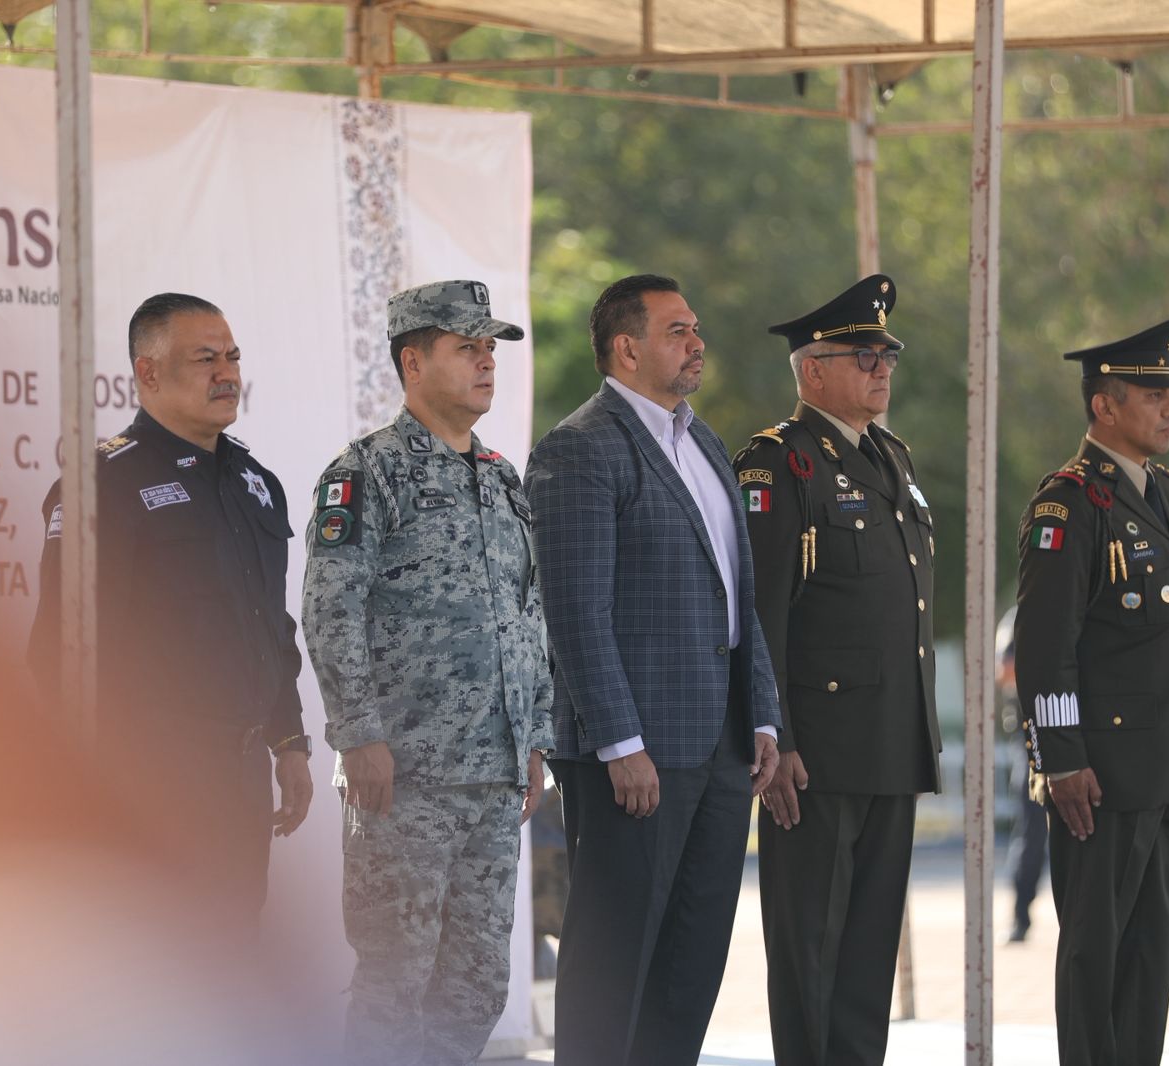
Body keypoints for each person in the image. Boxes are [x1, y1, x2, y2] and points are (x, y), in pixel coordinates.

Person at [524, 273, 781, 1066]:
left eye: (695, 327)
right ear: (626, 347)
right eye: (677, 330)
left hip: (721, 749)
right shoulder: (578, 449)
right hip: (633, 757)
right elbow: (574, 614)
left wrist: (763, 713)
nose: (697, 341)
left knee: (689, 968)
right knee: (613, 963)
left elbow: (738, 592)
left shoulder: (703, 442)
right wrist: (617, 742)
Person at [301, 280, 554, 1066]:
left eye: (490, 350)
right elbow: (329, 609)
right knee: (393, 984)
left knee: (476, 988)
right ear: (413, 361)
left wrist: (535, 738)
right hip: (403, 777)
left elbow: (527, 613)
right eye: (466, 348)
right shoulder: (367, 473)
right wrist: (358, 735)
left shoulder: (502, 480)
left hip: (492, 776)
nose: (485, 363)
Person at [28, 292, 314, 943]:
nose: (228, 373)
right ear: (149, 373)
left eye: (233, 357)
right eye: (205, 358)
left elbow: (271, 626)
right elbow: (59, 652)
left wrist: (289, 743)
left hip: (239, 778)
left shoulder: (255, 480)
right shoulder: (102, 482)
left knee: (232, 969)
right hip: (151, 781)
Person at [730, 273, 941, 1066]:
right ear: (812, 369)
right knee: (811, 954)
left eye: (886, 355)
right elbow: (760, 615)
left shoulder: (890, 456)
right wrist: (775, 736)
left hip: (890, 742)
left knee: (865, 960)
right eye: (862, 356)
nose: (881, 368)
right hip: (813, 754)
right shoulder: (779, 464)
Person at [1012, 319, 1169, 1066]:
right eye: (1154, 394)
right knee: (1096, 963)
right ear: (1104, 406)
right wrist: (1059, 759)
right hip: (1101, 780)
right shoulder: (1071, 503)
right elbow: (1044, 646)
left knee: (1152, 964)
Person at [994, 604, 1047, 945]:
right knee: (1031, 831)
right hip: (1031, 736)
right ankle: (1021, 916)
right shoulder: (1020, 617)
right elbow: (1004, 670)